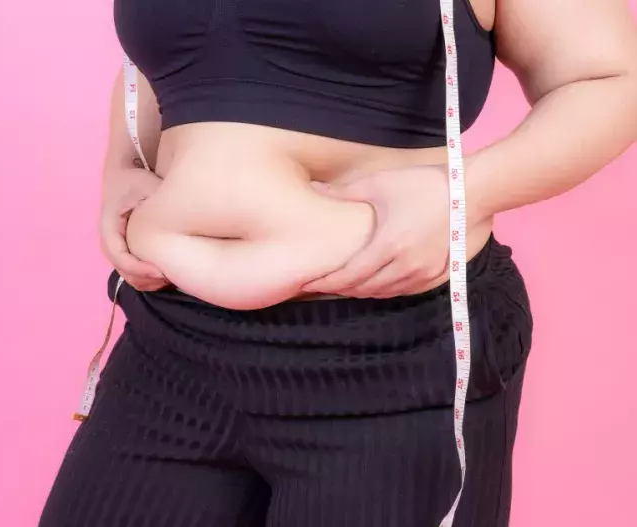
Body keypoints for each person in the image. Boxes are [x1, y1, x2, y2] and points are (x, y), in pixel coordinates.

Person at [40, 0, 637, 525]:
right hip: (168, 339)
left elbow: (609, 77)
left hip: (396, 352)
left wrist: (468, 190)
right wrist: (124, 167)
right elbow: (159, 59)